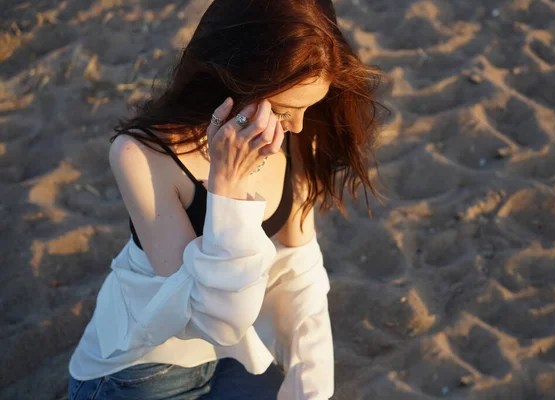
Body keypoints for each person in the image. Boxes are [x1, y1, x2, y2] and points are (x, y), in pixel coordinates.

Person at [67, 0, 386, 398]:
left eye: (308, 107)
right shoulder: (141, 155)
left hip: (233, 356)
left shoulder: (297, 134)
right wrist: (227, 186)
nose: (299, 125)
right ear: (234, 84)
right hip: (140, 370)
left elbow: (298, 272)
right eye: (287, 110)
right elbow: (213, 318)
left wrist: (312, 386)